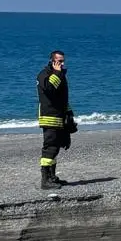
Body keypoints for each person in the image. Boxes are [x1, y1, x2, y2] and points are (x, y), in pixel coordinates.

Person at [36, 49, 74, 189]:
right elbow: (50, 89)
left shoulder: (61, 75)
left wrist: (70, 114)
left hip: (60, 116)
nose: (61, 63)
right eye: (58, 61)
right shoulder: (44, 74)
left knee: (56, 148)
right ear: (52, 60)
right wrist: (57, 73)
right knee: (50, 148)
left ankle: (52, 176)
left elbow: (63, 98)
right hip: (49, 117)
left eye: (63, 61)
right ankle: (45, 180)